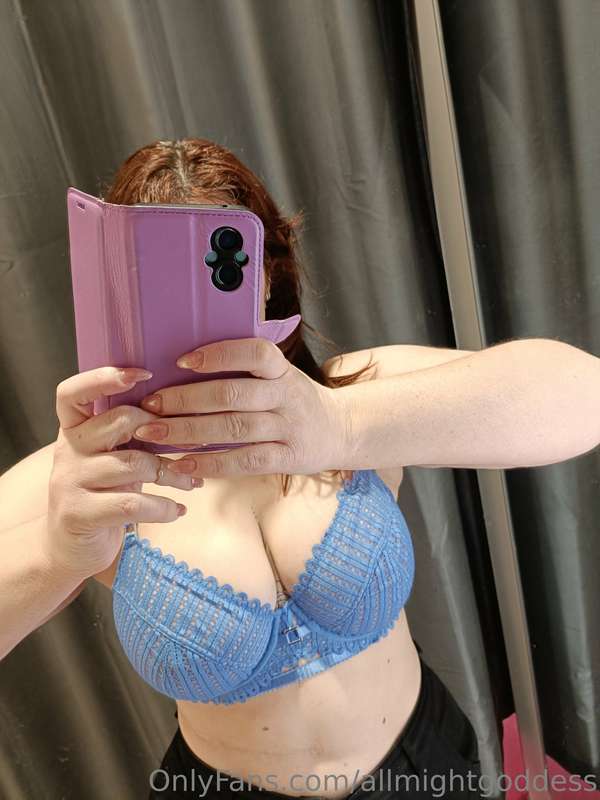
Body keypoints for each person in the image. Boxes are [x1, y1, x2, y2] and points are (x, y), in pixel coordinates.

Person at [2, 138, 599, 800]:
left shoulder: (343, 395)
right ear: (116, 291)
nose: (190, 305)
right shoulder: (94, 474)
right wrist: (56, 554)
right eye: (155, 278)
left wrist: (343, 426)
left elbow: (585, 394)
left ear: (266, 273)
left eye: (223, 264)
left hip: (423, 764)